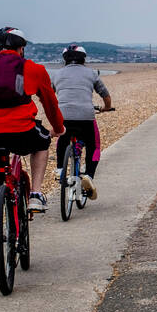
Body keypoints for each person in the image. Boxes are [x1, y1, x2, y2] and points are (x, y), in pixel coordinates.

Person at [0, 27, 65, 268]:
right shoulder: (33, 69)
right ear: (21, 48)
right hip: (20, 131)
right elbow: (50, 103)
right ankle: (36, 195)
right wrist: (58, 128)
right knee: (42, 142)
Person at [51, 44, 113, 200]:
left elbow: (50, 94)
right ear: (83, 59)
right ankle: (89, 176)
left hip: (63, 115)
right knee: (94, 145)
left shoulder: (57, 74)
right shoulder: (91, 73)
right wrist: (107, 108)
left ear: (65, 59)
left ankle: (60, 169)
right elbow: (105, 95)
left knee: (63, 138)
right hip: (86, 115)